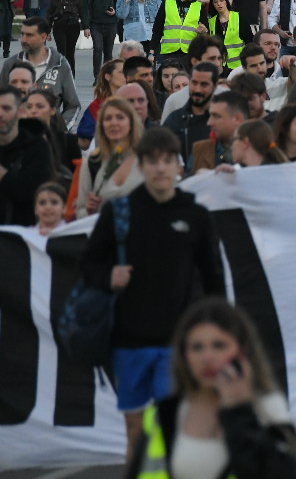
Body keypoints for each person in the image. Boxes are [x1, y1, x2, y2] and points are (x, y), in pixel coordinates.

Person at [80, 126, 225, 463]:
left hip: (177, 340)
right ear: (141, 165)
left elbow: (213, 277)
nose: (160, 168)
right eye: (153, 161)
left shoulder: (195, 214)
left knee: (170, 423)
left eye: (167, 160)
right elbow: (88, 263)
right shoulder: (119, 212)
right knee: (135, 430)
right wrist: (109, 275)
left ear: (178, 166)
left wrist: (220, 331)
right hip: (128, 339)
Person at [126, 297, 296, 479]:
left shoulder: (268, 407)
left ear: (243, 350)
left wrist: (239, 410)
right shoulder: (167, 412)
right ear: (185, 355)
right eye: (197, 347)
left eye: (219, 345)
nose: (207, 357)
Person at [76, 96, 145, 219]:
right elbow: (80, 212)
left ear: (131, 123)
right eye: (108, 118)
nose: (114, 123)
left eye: (120, 117)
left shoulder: (147, 159)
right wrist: (89, 209)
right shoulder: (93, 162)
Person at [0, 86, 53, 225]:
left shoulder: (36, 147)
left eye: (6, 108)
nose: (0, 114)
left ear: (20, 112)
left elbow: (31, 192)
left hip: (22, 230)